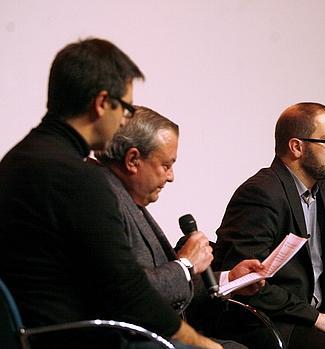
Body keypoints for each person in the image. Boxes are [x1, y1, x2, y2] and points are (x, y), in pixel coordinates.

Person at [0, 38, 219, 349]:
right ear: (102, 103)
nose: (125, 120)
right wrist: (198, 342)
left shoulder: (17, 159)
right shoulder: (77, 176)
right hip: (83, 339)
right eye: (126, 108)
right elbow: (127, 293)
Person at [212, 103, 325, 349]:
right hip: (274, 322)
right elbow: (247, 284)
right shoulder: (261, 194)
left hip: (322, 317)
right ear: (297, 147)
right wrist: (316, 318)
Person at [96, 106, 268, 349]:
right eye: (166, 165)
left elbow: (168, 280)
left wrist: (229, 279)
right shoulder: (103, 199)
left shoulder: (128, 198)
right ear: (133, 160)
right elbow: (133, 290)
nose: (171, 176)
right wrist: (185, 264)